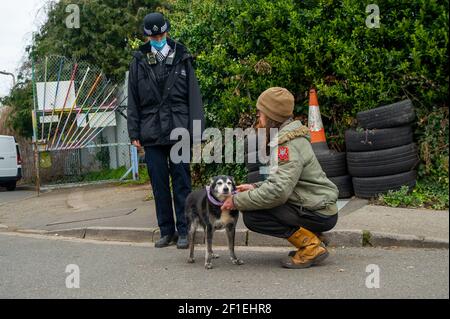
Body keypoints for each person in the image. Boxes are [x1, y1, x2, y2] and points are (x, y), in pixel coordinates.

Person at [221, 87, 339, 268]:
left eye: (260, 114)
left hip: (318, 211)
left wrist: (236, 201)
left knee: (254, 216)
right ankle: (314, 237)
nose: (258, 120)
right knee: (258, 202)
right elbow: (285, 179)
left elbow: (278, 191)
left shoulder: (287, 146)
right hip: (315, 204)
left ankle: (310, 245)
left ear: (271, 117)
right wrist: (255, 186)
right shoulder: (287, 139)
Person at [127, 12, 204, 249]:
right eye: (154, 36)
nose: (158, 38)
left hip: (179, 130)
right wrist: (134, 133)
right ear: (147, 36)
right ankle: (166, 231)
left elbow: (194, 97)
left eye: (161, 34)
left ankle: (185, 231)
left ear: (167, 32)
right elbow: (133, 99)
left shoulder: (183, 56)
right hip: (151, 133)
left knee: (182, 182)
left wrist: (197, 131)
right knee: (159, 185)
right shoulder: (139, 60)